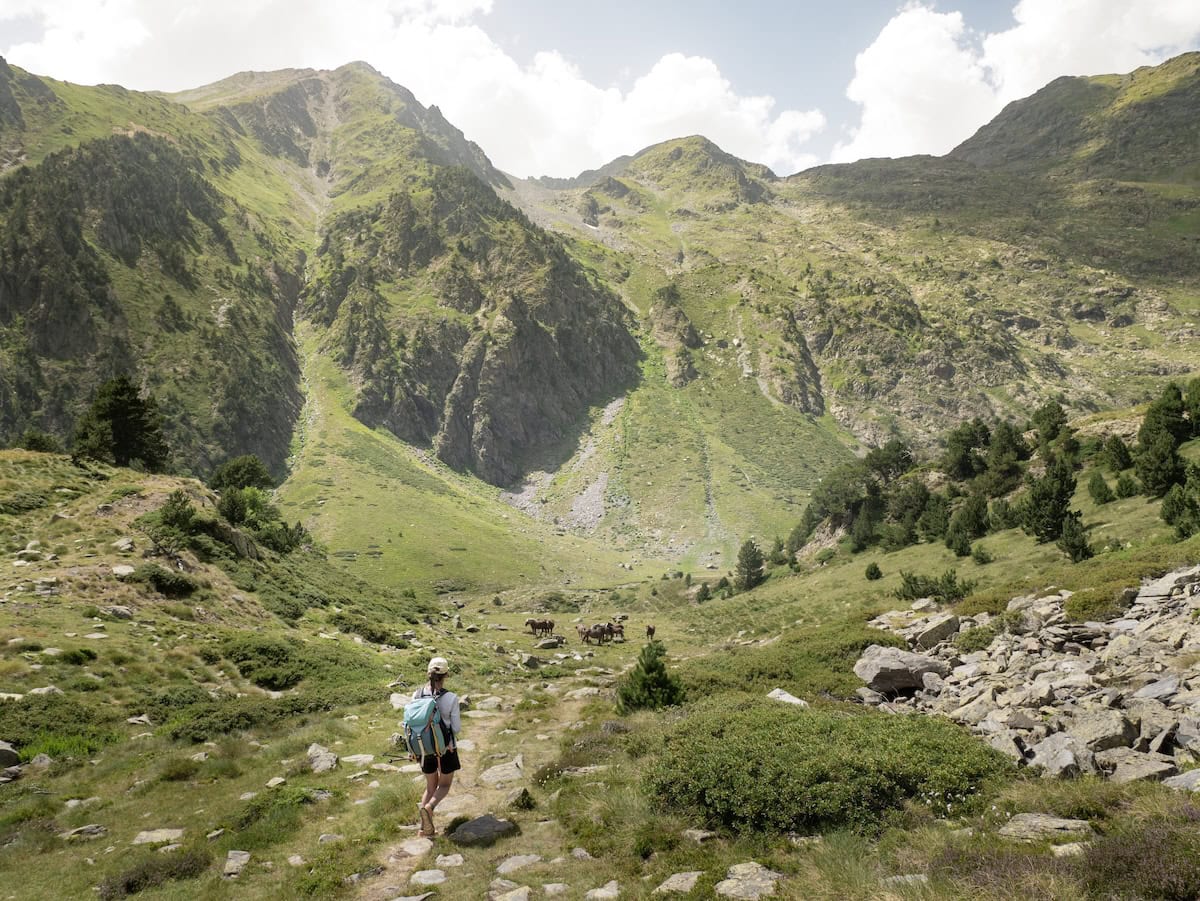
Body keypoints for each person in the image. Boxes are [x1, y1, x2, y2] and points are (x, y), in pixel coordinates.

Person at [413, 656, 462, 837]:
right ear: (446, 674)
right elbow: (456, 728)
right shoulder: (451, 698)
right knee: (444, 785)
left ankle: (424, 828)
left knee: (430, 786)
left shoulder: (416, 694)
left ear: (428, 674)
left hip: (423, 748)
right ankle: (430, 807)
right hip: (446, 748)